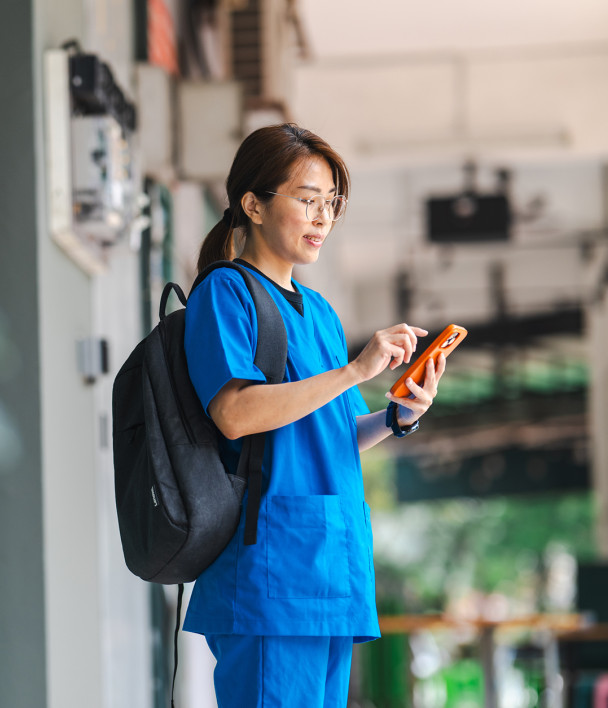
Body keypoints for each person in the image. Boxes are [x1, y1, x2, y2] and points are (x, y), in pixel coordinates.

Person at [181, 123, 447, 707]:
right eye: (307, 200)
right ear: (252, 204)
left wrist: (397, 416)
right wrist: (354, 371)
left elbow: (336, 436)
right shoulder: (228, 294)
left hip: (329, 565)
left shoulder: (320, 311)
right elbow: (233, 412)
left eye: (332, 203)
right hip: (272, 569)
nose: (322, 218)